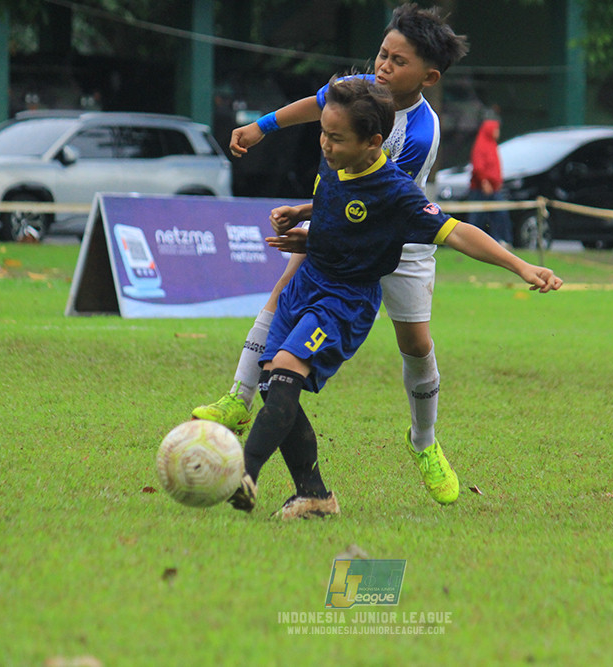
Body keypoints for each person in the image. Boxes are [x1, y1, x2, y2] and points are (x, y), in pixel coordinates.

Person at [226, 76, 562, 519]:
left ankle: (243, 474)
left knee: (287, 372)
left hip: (343, 302)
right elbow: (334, 200)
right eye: (323, 133)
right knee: (275, 389)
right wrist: (304, 218)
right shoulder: (337, 157)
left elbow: (458, 232)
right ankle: (314, 495)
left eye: (336, 138)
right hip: (307, 285)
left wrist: (522, 266)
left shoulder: (396, 191)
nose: (325, 144)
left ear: (373, 143)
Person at [193, 3, 471, 505]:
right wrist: (262, 127)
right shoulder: (361, 92)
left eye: (397, 62)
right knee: (285, 293)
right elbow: (317, 103)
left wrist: (315, 228)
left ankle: (424, 443)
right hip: (335, 220)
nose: (383, 67)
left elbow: (379, 207)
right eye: (382, 54)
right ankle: (239, 398)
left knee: (416, 345)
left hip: (396, 238)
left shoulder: (420, 135)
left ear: (427, 77)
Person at [467, 117, 513, 247]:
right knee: (477, 216)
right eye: (496, 129)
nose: (498, 132)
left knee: (499, 213)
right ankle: (471, 242)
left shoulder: (492, 145)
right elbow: (478, 166)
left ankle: (500, 240)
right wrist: (484, 182)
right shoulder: (481, 145)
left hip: (494, 187)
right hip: (481, 188)